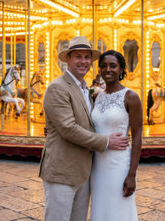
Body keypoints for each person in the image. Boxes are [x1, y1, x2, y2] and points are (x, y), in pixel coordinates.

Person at [39, 36, 129, 221]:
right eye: (78, 56)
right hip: (62, 171)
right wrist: (106, 141)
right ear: (68, 59)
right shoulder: (57, 87)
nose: (83, 61)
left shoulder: (84, 88)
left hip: (83, 172)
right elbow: (68, 128)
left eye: (87, 57)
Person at [90, 50, 142, 221]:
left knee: (119, 209)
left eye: (113, 66)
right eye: (103, 66)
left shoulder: (131, 97)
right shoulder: (97, 96)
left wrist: (132, 174)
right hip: (97, 165)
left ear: (121, 69)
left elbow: (137, 137)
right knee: (100, 207)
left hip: (118, 164)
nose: (108, 70)